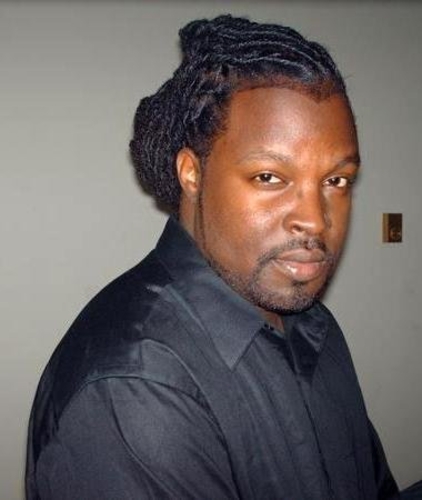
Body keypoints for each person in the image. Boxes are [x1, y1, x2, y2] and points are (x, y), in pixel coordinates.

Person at [26, 14, 405, 500]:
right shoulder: (136, 389)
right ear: (192, 173)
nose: (314, 220)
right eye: (270, 177)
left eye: (336, 180)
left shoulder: (314, 326)